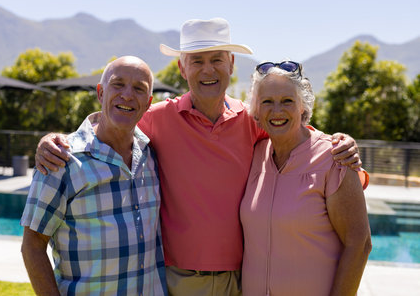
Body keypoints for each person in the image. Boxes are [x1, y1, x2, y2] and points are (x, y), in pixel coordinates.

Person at [34, 19, 364, 296]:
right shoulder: (157, 118)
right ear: (182, 68)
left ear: (231, 65)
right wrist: (56, 140)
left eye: (217, 59)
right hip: (177, 280)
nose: (208, 69)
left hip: (239, 281)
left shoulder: (252, 122)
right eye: (197, 60)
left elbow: (295, 132)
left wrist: (341, 148)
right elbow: (114, 117)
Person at [21, 56, 167, 296]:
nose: (128, 95)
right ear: (101, 92)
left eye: (139, 89)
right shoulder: (61, 160)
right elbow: (32, 245)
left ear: (149, 103)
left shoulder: (152, 156)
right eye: (118, 84)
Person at [240, 61, 372, 296]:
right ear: (256, 111)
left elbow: (359, 244)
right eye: (267, 102)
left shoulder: (335, 158)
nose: (277, 110)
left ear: (303, 106)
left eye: (287, 101)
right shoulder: (255, 154)